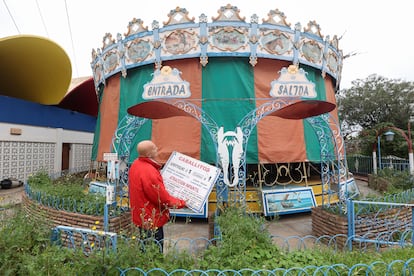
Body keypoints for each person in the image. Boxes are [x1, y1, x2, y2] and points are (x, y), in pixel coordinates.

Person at [128, 140, 186, 252]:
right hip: (151, 217)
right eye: (154, 148)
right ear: (149, 154)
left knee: (144, 244)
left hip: (141, 215)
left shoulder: (136, 165)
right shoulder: (149, 171)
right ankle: (153, 268)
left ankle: (144, 265)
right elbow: (162, 198)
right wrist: (182, 203)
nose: (157, 149)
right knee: (154, 248)